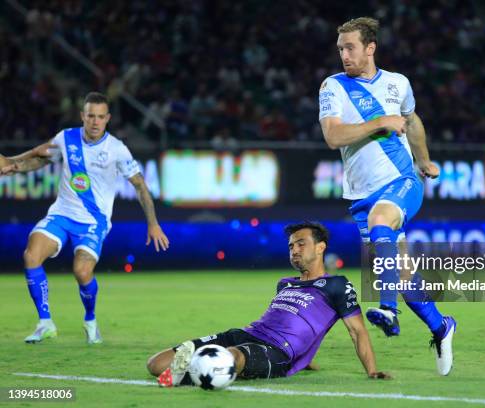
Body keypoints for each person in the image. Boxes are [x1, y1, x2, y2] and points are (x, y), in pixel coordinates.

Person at [318, 17, 456, 375]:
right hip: (360, 196)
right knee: (404, 274)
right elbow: (333, 137)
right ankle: (442, 327)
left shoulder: (398, 83)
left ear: (370, 47)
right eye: (340, 49)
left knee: (382, 223)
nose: (344, 55)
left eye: (350, 48)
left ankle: (387, 309)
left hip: (402, 181)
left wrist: (423, 159)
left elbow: (410, 121)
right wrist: (379, 123)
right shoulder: (333, 87)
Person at [0, 92, 170, 344]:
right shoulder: (65, 138)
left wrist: (153, 224)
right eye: (90, 115)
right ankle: (45, 322)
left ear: (108, 119)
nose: (95, 121)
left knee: (81, 271)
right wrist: (13, 166)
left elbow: (140, 186)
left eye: (100, 117)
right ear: (82, 116)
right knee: (31, 255)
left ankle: (90, 320)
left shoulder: (117, 150)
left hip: (93, 222)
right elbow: (40, 160)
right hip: (61, 214)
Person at [147, 221, 390, 386]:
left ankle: (185, 375)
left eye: (301, 244)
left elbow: (357, 331)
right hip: (243, 334)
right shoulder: (284, 283)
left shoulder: (337, 285)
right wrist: (306, 360)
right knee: (156, 364)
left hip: (277, 352)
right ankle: (191, 370)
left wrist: (371, 370)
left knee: (232, 357)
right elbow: (291, 322)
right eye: (291, 246)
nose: (294, 250)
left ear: (320, 247)